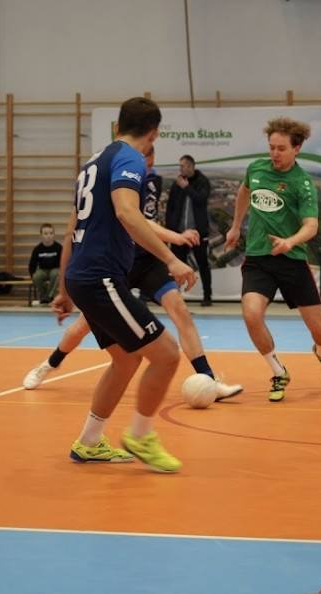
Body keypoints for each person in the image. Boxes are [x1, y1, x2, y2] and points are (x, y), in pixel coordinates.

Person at [23, 146, 242, 401]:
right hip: (117, 265)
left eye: (150, 157)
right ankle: (49, 364)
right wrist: (176, 237)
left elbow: (147, 221)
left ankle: (209, 379)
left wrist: (175, 238)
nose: (146, 162)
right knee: (83, 326)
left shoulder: (149, 183)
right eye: (144, 156)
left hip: (147, 261)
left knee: (180, 310)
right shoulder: (115, 180)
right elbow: (132, 219)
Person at [52, 96, 196, 473]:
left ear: (118, 125)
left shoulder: (95, 161)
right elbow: (127, 213)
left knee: (127, 358)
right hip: (100, 276)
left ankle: (89, 442)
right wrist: (171, 259)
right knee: (167, 355)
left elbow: (73, 228)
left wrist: (64, 288)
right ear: (154, 133)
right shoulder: (131, 158)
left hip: (84, 275)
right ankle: (141, 436)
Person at [224, 117, 321, 402]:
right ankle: (278, 372)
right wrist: (236, 226)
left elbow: (311, 226)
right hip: (258, 258)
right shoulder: (256, 169)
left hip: (291, 259)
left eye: (281, 148)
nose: (274, 153)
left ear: (296, 149)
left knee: (320, 331)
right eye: (271, 147)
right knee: (251, 314)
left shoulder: (303, 183)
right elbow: (244, 191)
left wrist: (290, 241)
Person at [166, 154, 213, 306]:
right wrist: (170, 229)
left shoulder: (202, 181)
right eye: (179, 166)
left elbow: (201, 199)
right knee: (177, 265)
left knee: (203, 264)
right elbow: (170, 207)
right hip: (180, 233)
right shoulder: (177, 184)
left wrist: (186, 187)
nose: (180, 169)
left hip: (198, 233)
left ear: (191, 166)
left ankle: (207, 296)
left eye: (183, 166)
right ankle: (176, 296)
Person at [29, 223, 62, 304]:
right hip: (42, 270)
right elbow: (32, 264)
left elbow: (63, 262)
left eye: (51, 233)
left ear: (54, 235)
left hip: (55, 269)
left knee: (56, 273)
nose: (48, 236)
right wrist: (32, 275)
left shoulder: (59, 247)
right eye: (46, 233)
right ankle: (44, 296)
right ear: (41, 235)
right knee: (37, 276)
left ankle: (50, 296)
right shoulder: (37, 249)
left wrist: (62, 272)